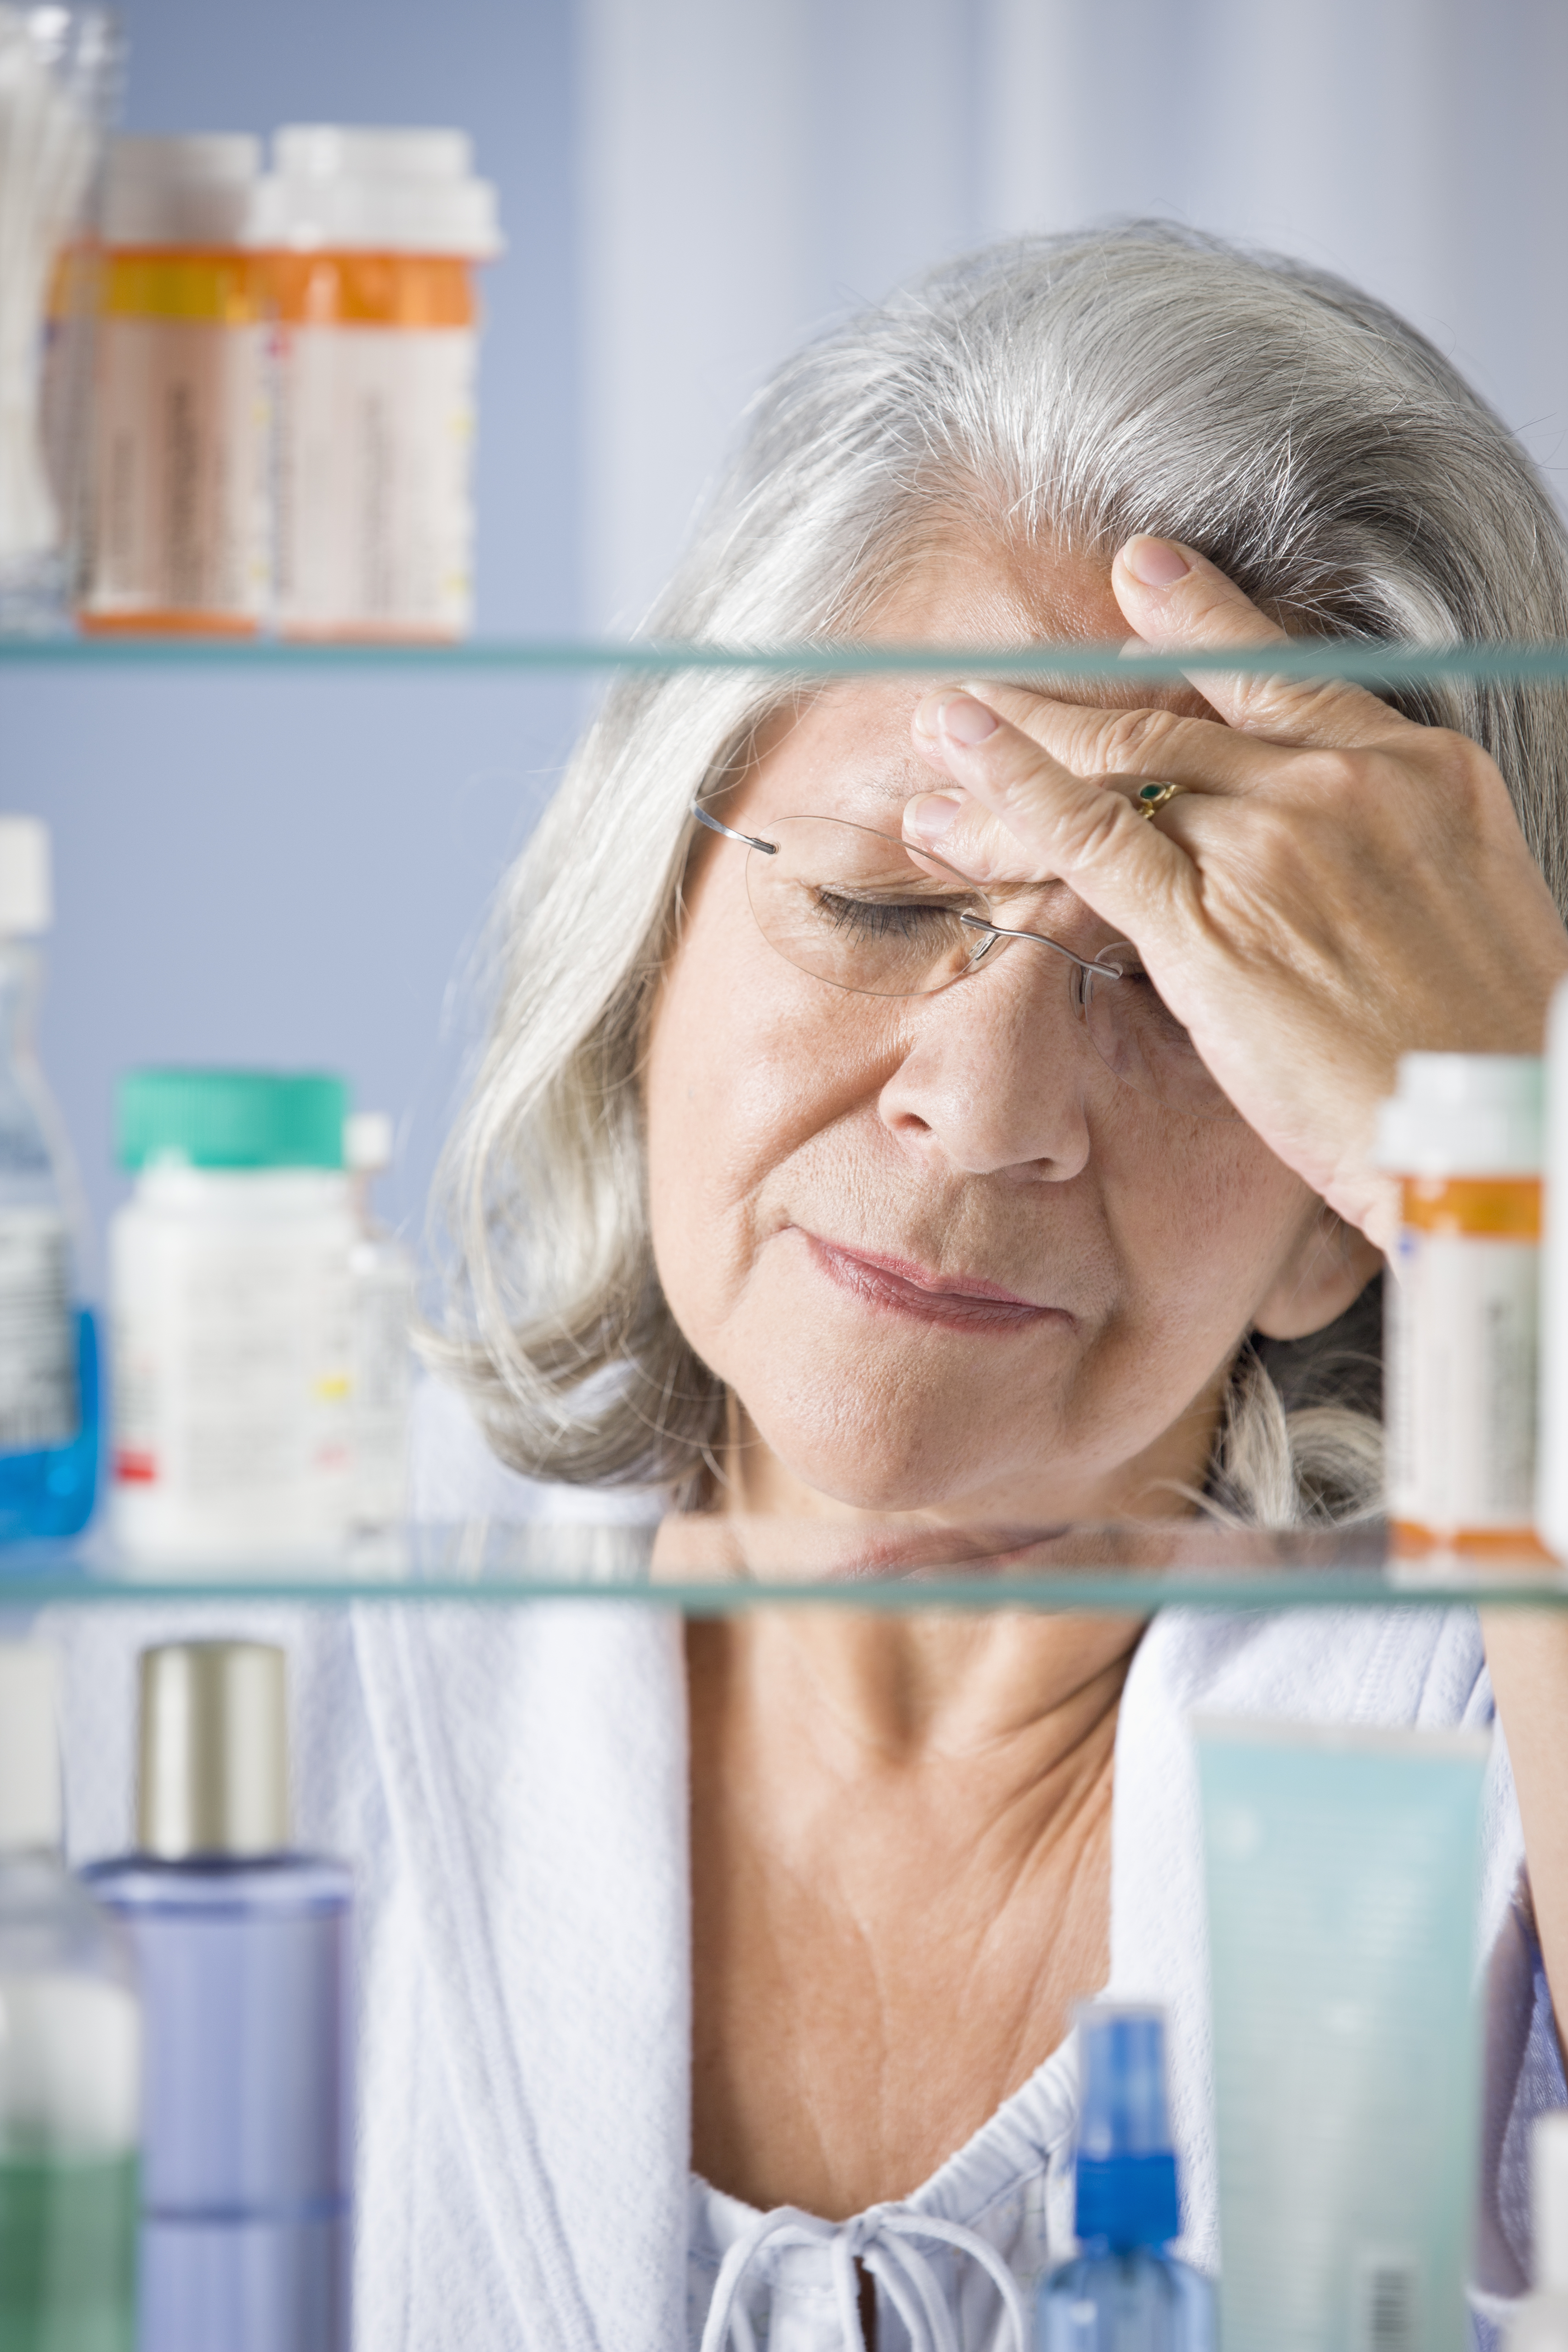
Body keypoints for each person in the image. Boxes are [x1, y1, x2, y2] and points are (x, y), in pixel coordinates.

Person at [52, 223, 1568, 2351]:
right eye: (874, 900)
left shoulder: (1467, 1743)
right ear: (653, 928)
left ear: (1350, 1187)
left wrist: (1529, 1135)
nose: (986, 1100)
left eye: (1173, 988)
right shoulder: (232, 1695)